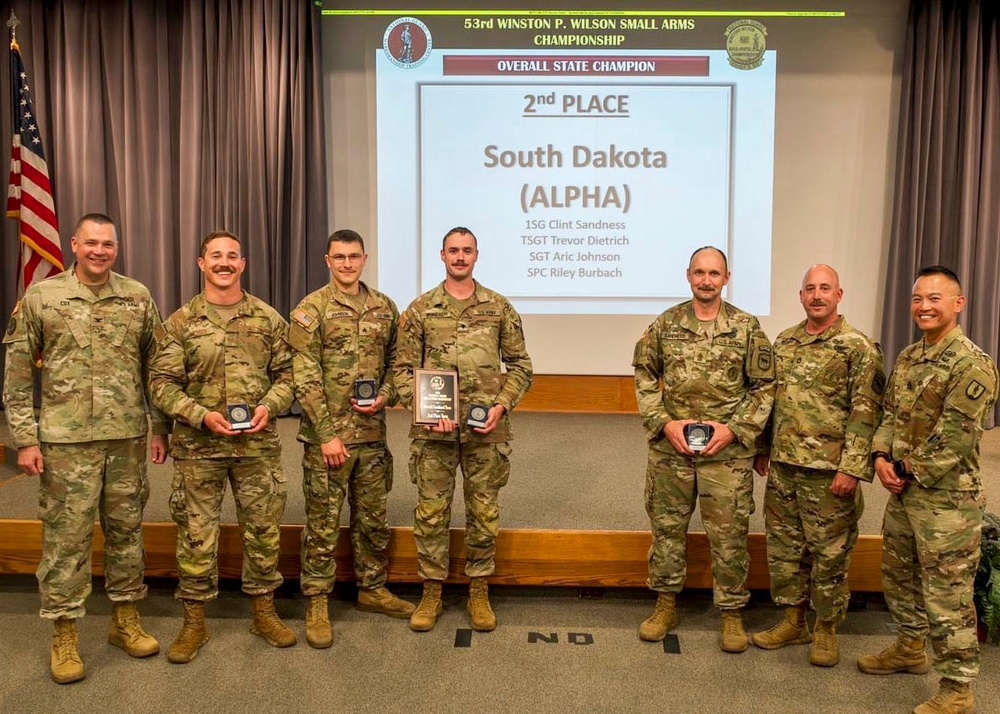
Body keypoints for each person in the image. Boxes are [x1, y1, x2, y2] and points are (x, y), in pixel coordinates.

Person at [2, 213, 168, 684]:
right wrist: (26, 438)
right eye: (91, 242)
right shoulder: (42, 296)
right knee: (65, 540)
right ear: (74, 243)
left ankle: (125, 620)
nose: (99, 250)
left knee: (126, 532)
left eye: (108, 244)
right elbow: (16, 374)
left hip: (126, 440)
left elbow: (155, 368)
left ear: (117, 247)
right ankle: (64, 631)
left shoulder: (137, 296)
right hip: (64, 443)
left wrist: (159, 428)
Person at [149, 230, 296, 663]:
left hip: (257, 447)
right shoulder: (180, 323)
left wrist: (271, 405)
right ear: (201, 263)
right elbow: (161, 383)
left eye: (232, 256)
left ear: (243, 264)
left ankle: (263, 612)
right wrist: (199, 415)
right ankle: (194, 621)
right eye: (216, 256)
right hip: (199, 449)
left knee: (264, 532)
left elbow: (290, 375)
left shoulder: (268, 319)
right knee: (196, 536)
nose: (224, 263)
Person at [857, 266, 998, 714]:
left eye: (935, 298)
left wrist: (901, 467)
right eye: (918, 298)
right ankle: (910, 649)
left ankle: (957, 688)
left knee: (948, 594)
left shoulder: (972, 363)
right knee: (899, 578)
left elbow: (954, 438)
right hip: (904, 492)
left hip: (947, 503)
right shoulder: (909, 357)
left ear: (958, 304)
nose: (924, 306)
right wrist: (880, 458)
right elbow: (888, 416)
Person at [632, 245, 775, 652]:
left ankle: (731, 612)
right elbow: (644, 374)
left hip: (726, 455)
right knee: (666, 530)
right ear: (688, 276)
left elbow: (764, 386)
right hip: (672, 451)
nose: (706, 280)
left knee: (729, 535)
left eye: (714, 273)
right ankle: (665, 604)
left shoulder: (747, 328)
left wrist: (736, 430)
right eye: (699, 273)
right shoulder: (666, 324)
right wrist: (664, 423)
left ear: (726, 279)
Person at [394, 226, 533, 633]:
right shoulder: (420, 310)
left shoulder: (498, 308)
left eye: (466, 251)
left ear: (477, 255)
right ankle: (432, 589)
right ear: (441, 255)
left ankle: (478, 588)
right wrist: (421, 408)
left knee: (484, 514)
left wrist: (502, 406)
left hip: (485, 433)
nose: (459, 257)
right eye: (453, 250)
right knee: (431, 514)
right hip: (432, 435)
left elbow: (522, 366)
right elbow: (401, 370)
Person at [751, 264, 884, 667]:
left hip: (830, 475)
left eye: (825, 288)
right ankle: (793, 620)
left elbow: (866, 413)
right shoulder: (785, 342)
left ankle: (826, 628)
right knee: (784, 550)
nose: (817, 295)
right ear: (801, 296)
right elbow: (770, 400)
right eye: (810, 288)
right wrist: (762, 447)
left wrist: (851, 468)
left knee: (830, 555)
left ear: (839, 295)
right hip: (785, 468)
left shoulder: (858, 348)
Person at [288, 229, 413, 648]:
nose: (347, 264)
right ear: (327, 260)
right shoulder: (311, 310)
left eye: (354, 257)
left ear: (365, 258)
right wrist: (326, 435)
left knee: (372, 520)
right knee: (322, 524)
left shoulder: (384, 307)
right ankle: (318, 600)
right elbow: (303, 376)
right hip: (329, 440)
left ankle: (372, 588)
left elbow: (399, 362)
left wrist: (386, 395)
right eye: (339, 257)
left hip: (372, 436)